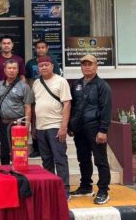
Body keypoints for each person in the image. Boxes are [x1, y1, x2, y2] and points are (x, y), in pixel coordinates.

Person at [69, 54, 112, 205]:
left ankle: (103, 190)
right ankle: (86, 186)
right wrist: (71, 125)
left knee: (100, 160)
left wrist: (103, 130)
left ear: (96, 66)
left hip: (95, 127)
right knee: (83, 159)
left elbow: (106, 109)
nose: (87, 67)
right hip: (79, 128)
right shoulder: (76, 84)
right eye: (84, 64)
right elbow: (72, 106)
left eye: (90, 64)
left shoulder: (102, 86)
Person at [32, 56, 72, 199]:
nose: (44, 67)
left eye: (46, 65)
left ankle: (64, 190)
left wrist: (64, 127)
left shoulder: (61, 81)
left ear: (52, 66)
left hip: (56, 126)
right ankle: (50, 189)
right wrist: (34, 126)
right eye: (41, 65)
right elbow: (35, 104)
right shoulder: (36, 83)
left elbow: (67, 104)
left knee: (60, 159)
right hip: (41, 127)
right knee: (46, 160)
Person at [25, 39, 62, 158]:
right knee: (35, 121)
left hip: (49, 95)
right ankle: (36, 147)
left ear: (47, 48)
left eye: (43, 47)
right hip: (35, 93)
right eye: (38, 47)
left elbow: (57, 77)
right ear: (35, 49)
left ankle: (50, 147)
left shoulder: (53, 62)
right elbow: (28, 79)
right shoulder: (30, 63)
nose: (40, 50)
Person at [0, 60, 34, 166]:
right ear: (4, 70)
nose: (11, 71)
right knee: (4, 152)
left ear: (18, 70)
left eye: (14, 68)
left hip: (18, 124)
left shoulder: (24, 86)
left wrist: (27, 126)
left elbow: (28, 107)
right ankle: (5, 172)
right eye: (9, 68)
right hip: (3, 123)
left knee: (19, 151)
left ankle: (19, 172)